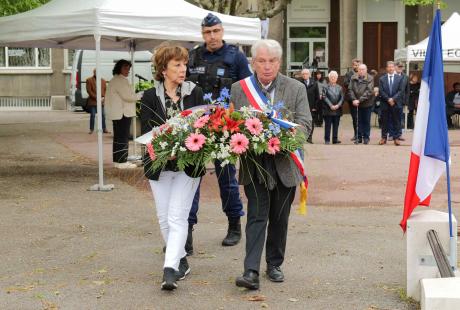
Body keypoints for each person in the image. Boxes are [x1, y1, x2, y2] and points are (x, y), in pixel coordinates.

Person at [230, 39, 312, 290]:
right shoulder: (239, 89)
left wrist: (281, 139)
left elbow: (305, 125)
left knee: (279, 218)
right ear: (253, 63)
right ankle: (250, 271)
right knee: (256, 216)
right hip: (254, 164)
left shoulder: (296, 88)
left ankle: (274, 264)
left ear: (280, 62)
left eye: (272, 61)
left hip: (285, 163)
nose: (267, 66)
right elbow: (231, 124)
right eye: (262, 61)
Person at [140, 44, 205, 290]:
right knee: (164, 218)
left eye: (184, 64)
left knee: (177, 216)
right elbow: (147, 133)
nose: (183, 69)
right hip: (159, 166)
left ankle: (169, 270)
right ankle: (181, 261)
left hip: (188, 167)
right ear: (163, 69)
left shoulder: (195, 93)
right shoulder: (149, 96)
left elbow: (202, 127)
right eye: (177, 65)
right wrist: (166, 148)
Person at [186, 13, 252, 252]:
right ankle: (187, 232)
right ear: (202, 33)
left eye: (215, 32)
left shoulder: (236, 57)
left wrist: (242, 123)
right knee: (191, 180)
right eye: (207, 32)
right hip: (197, 126)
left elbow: (247, 91)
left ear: (222, 31)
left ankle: (234, 225)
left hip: (224, 127)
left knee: (227, 179)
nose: (211, 37)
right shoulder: (193, 56)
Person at [105, 59, 140, 169]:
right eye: (125, 68)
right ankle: (121, 162)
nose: (128, 70)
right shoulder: (119, 80)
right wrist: (141, 95)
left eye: (129, 68)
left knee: (118, 137)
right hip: (122, 113)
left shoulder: (116, 80)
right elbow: (128, 96)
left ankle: (117, 160)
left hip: (119, 113)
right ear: (119, 68)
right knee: (122, 138)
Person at [347, 64, 374, 144]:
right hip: (356, 103)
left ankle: (366, 137)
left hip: (366, 103)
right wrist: (354, 99)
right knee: (358, 121)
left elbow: (369, 91)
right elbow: (350, 89)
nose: (361, 71)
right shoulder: (353, 77)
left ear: (366, 70)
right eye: (360, 69)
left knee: (366, 121)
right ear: (358, 70)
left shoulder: (370, 78)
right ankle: (358, 138)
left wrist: (359, 100)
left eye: (363, 69)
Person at [378, 61, 404, 146]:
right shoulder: (382, 79)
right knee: (384, 121)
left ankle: (396, 138)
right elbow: (381, 91)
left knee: (396, 121)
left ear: (394, 68)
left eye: (392, 67)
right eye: (389, 67)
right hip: (385, 103)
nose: (391, 68)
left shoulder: (399, 78)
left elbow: (401, 91)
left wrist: (393, 99)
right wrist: (388, 99)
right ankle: (383, 138)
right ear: (386, 68)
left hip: (395, 103)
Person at [322, 71, 344, 144]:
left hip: (337, 109)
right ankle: (327, 139)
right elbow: (324, 97)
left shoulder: (340, 87)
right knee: (328, 125)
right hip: (328, 109)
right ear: (329, 78)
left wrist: (338, 105)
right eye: (331, 77)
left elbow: (342, 98)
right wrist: (330, 105)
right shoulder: (325, 87)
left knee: (336, 125)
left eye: (334, 77)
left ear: (337, 78)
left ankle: (335, 139)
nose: (333, 78)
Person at [86, 68, 109, 134]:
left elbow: (105, 90)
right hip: (93, 101)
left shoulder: (103, 81)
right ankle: (91, 129)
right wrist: (97, 98)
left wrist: (104, 97)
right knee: (93, 115)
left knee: (103, 115)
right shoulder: (89, 80)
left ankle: (104, 129)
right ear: (94, 73)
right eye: (96, 72)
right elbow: (89, 91)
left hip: (101, 101)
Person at [343, 59, 361, 141]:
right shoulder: (348, 74)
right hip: (352, 99)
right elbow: (345, 84)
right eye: (355, 65)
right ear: (352, 65)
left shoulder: (363, 73)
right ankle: (356, 134)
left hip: (362, 99)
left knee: (361, 117)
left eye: (357, 65)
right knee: (354, 118)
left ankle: (362, 134)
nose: (356, 66)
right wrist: (353, 80)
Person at [299, 68, 318, 143]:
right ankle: (302, 137)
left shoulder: (314, 83)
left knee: (311, 122)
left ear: (309, 75)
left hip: (311, 107)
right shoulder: (299, 83)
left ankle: (309, 137)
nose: (305, 75)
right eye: (303, 74)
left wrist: (315, 107)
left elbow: (317, 96)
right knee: (301, 122)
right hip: (301, 107)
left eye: (306, 74)